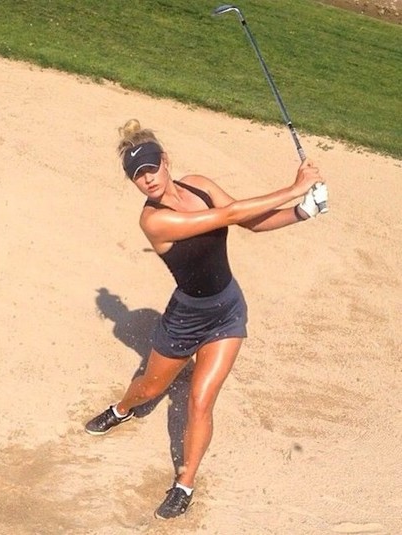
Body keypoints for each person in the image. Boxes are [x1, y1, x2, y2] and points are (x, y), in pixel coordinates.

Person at [85, 118, 328, 520]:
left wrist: (303, 210)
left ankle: (185, 483)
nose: (148, 180)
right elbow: (229, 214)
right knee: (149, 388)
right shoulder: (154, 221)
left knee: (200, 400)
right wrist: (295, 187)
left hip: (228, 310)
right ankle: (122, 408)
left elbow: (249, 221)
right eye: (138, 175)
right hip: (185, 319)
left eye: (151, 168)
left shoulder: (199, 185)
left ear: (165, 161)